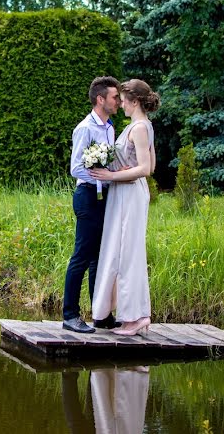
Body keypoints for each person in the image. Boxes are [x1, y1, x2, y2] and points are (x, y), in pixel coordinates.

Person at [89, 79, 160, 337]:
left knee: (129, 254)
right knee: (119, 251)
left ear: (135, 101)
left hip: (130, 194)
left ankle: (136, 317)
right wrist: (120, 171)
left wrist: (110, 176)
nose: (120, 104)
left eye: (123, 100)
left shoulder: (140, 127)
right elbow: (149, 165)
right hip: (125, 192)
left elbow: (145, 169)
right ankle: (124, 314)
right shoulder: (138, 126)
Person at [62, 76, 121, 334]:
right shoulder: (85, 128)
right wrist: (100, 177)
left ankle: (100, 314)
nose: (118, 101)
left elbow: (110, 164)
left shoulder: (110, 128)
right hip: (87, 195)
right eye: (114, 97)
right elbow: (76, 167)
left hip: (105, 197)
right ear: (101, 99)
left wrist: (114, 175)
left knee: (101, 257)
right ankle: (70, 315)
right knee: (82, 256)